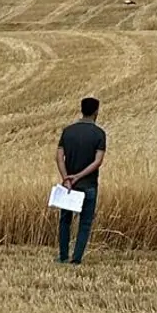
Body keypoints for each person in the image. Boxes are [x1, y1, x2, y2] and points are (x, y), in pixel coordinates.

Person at [55, 95, 106, 264]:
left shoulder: (67, 131)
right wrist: (79, 176)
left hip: (69, 186)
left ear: (81, 109)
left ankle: (63, 256)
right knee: (84, 223)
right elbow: (97, 161)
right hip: (88, 184)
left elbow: (59, 156)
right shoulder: (99, 134)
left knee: (65, 220)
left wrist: (67, 178)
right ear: (96, 111)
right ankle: (76, 259)